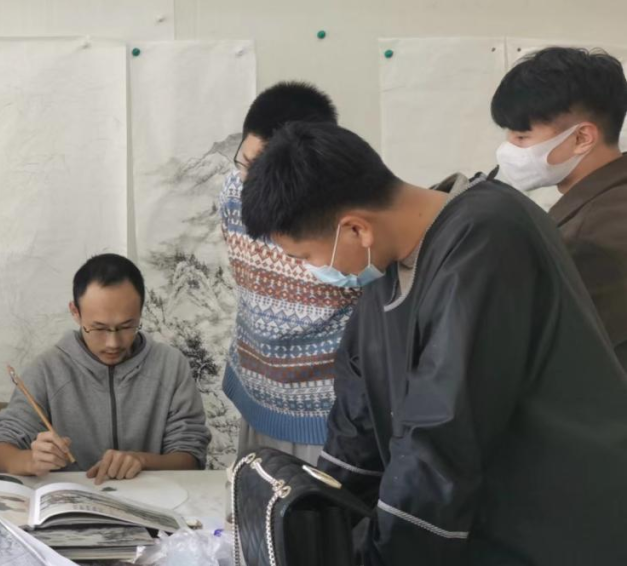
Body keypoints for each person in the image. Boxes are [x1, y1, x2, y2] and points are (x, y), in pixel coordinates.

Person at [242, 121, 627, 565]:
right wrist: (317, 516)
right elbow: (359, 416)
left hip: (552, 525)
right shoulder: (387, 262)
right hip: (478, 513)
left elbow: (443, 431)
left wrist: (381, 557)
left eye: (305, 257)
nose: (310, 271)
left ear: (356, 230)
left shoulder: (487, 241)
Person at [220, 82, 361, 463]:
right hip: (256, 386)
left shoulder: (345, 218)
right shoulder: (233, 189)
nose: (247, 180)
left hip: (324, 408)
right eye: (244, 161)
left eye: (261, 170)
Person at [0, 254, 211, 484]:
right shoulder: (47, 370)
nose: (113, 343)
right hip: (70, 501)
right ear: (75, 312)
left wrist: (142, 461)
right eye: (98, 328)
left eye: (127, 326)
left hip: (154, 501)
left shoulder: (170, 366)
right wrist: (29, 460)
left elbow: (191, 457)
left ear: (141, 312)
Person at [492, 46, 627, 370]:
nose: (508, 149)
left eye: (522, 137)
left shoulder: (592, 236)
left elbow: (558, 354)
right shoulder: (608, 198)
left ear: (582, 138)